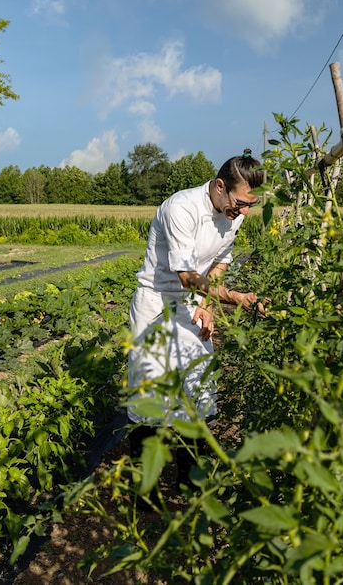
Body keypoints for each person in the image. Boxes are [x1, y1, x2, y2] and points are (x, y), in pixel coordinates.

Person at [127, 149, 265, 483]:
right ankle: (145, 489)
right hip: (156, 302)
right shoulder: (182, 208)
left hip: (191, 302)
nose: (245, 211)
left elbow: (219, 263)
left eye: (252, 203)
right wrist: (234, 298)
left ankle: (190, 481)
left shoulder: (234, 215)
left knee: (198, 390)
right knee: (150, 396)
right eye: (241, 202)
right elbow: (187, 276)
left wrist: (207, 304)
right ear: (220, 186)